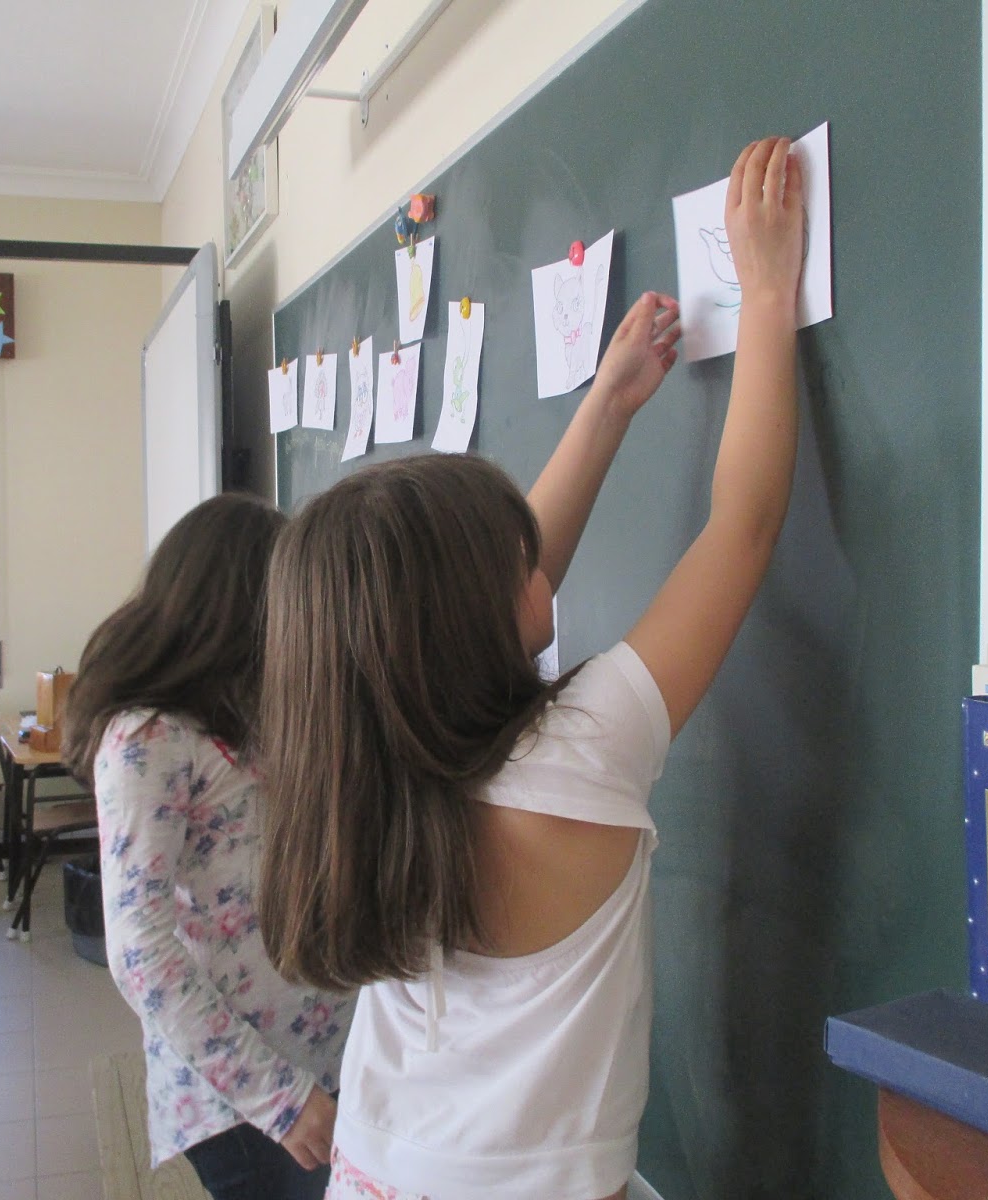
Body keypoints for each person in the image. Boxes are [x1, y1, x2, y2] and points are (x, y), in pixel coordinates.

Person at [256, 138, 804, 1200]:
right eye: (511, 561)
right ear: (472, 616)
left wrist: (607, 406)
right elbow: (741, 527)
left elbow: (501, 581)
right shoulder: (577, 757)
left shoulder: (365, 773)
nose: (535, 561)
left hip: (381, 1172)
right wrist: (769, 292)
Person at [63, 493, 354, 1200]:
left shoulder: (249, 714)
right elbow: (139, 951)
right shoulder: (150, 738)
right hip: (248, 1098)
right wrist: (279, 1097)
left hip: (320, 1056)